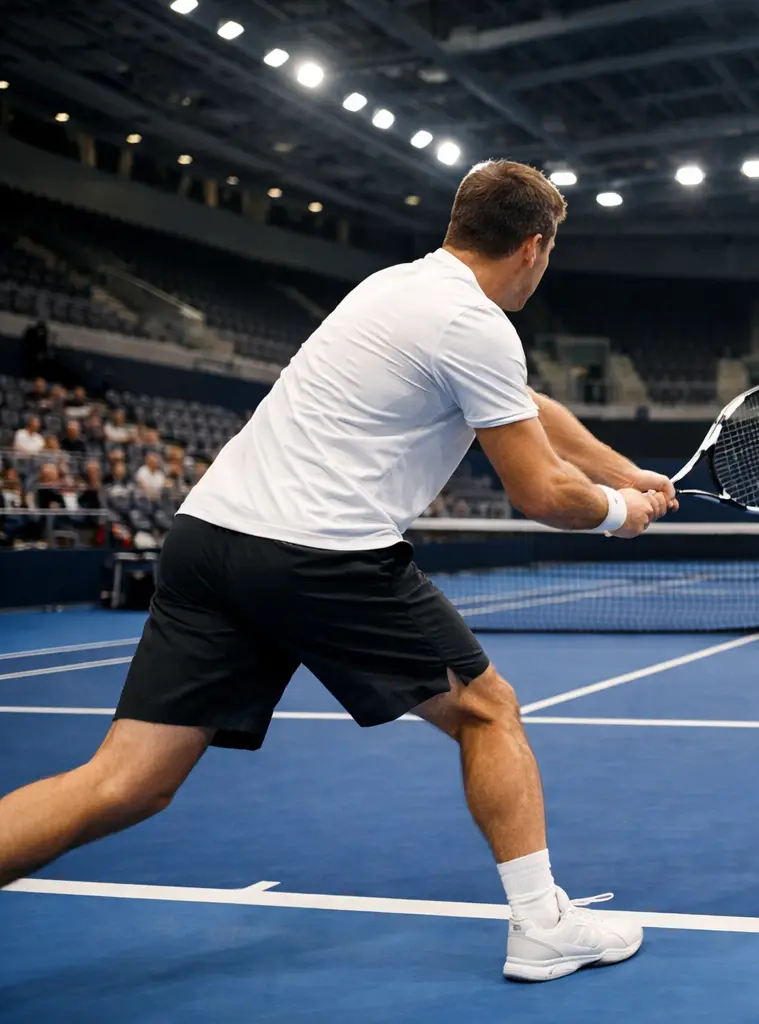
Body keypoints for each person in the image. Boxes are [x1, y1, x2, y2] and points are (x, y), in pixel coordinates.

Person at [0, 159, 672, 984]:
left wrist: (623, 468)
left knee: (125, 783)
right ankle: (541, 927)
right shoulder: (477, 325)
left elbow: (529, 408)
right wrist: (614, 511)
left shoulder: (392, 287)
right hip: (317, 551)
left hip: (209, 539)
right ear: (534, 248)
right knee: (489, 712)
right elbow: (539, 492)